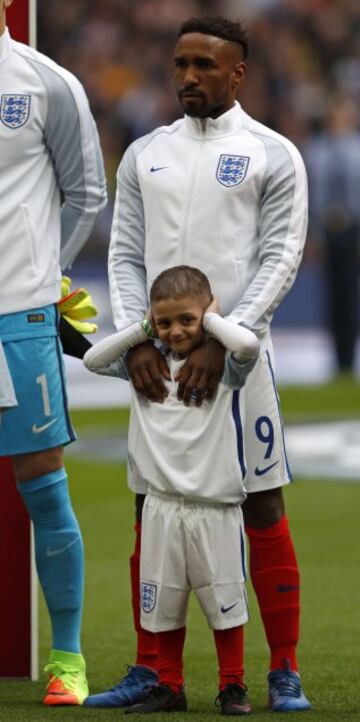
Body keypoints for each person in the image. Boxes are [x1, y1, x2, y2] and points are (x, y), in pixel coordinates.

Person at [86, 15, 311, 713]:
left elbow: (282, 255)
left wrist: (227, 334)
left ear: (238, 73)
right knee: (151, 508)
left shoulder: (273, 153)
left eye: (205, 66)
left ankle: (282, 669)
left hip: (239, 367)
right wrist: (138, 342)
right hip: (160, 363)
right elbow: (123, 254)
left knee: (261, 504)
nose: (188, 76)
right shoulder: (147, 153)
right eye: (181, 63)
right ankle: (158, 674)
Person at [84, 265, 260, 714]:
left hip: (215, 505)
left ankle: (233, 686)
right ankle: (169, 686)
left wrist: (213, 319)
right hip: (160, 505)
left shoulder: (223, 368)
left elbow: (248, 343)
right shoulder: (144, 366)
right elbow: (92, 360)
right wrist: (143, 331)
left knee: (224, 599)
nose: (176, 330)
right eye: (165, 322)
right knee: (160, 602)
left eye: (187, 319)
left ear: (205, 315)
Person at [0, 0, 107, 706]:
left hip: (16, 314)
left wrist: (46, 275)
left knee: (42, 482)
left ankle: (67, 656)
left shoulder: (46, 82)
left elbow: (87, 193)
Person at [304, 93, 360, 375]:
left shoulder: (357, 149)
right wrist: (314, 234)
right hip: (328, 228)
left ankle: (349, 358)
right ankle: (337, 359)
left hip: (353, 228)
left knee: (351, 295)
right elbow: (312, 196)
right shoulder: (317, 150)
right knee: (332, 296)